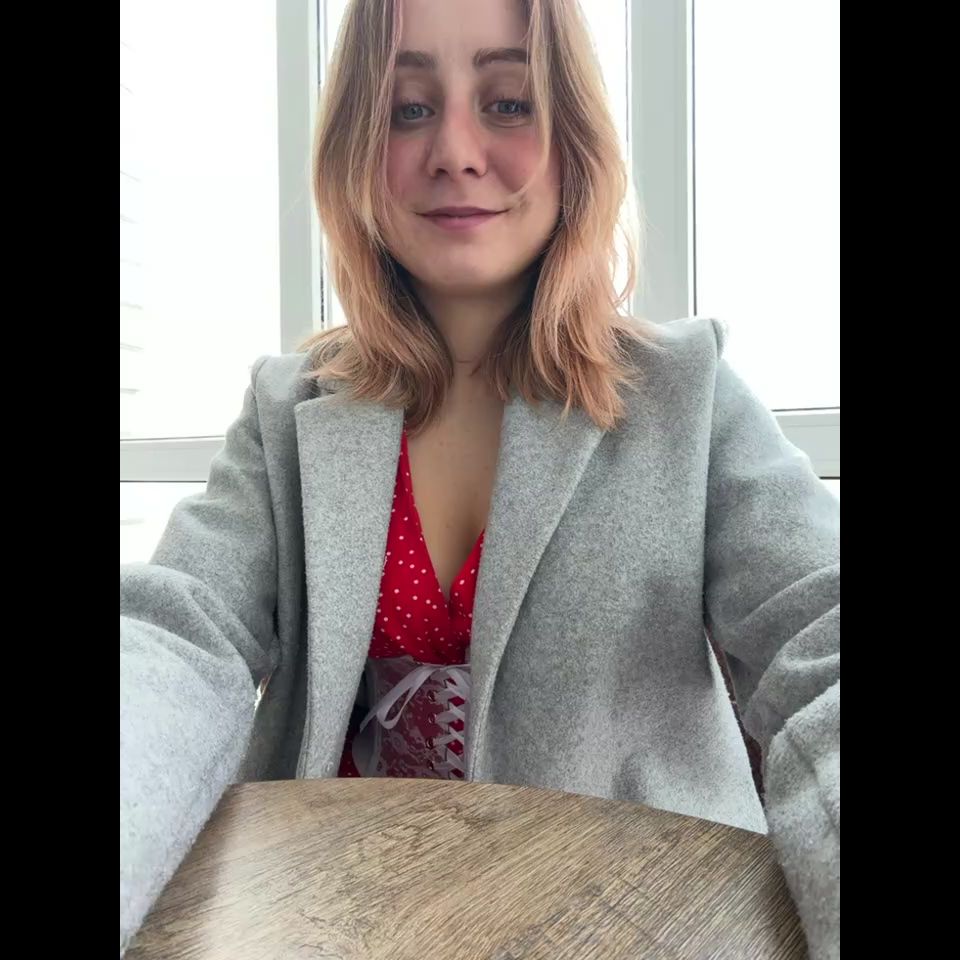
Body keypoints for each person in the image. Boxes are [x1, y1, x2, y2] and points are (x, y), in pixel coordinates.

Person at [119, 0, 840, 956]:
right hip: (325, 927)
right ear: (353, 151)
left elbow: (819, 638)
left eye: (507, 103)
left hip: (627, 931)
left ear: (573, 136)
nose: (455, 152)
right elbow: (178, 638)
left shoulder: (688, 394)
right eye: (408, 110)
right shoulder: (287, 410)